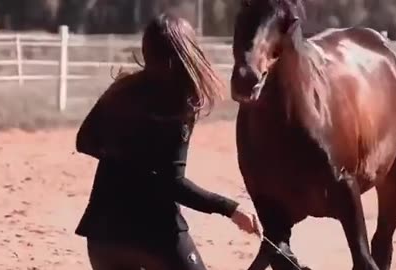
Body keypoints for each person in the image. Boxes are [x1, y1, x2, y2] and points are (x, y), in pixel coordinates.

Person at [74, 13, 261, 270]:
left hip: (104, 233)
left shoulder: (121, 91)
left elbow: (84, 141)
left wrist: (126, 160)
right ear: (188, 53)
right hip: (156, 235)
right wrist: (230, 209)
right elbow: (173, 183)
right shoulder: (179, 105)